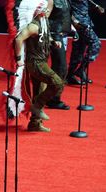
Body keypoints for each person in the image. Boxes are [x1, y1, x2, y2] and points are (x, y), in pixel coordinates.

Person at [14, 0, 65, 132]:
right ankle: (37, 106)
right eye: (46, 9)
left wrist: (53, 42)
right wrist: (19, 58)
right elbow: (19, 39)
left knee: (40, 90)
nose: (48, 11)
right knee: (57, 83)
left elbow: (44, 37)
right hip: (36, 63)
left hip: (42, 61)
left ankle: (34, 123)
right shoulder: (34, 26)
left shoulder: (44, 22)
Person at [67, 0, 103, 85]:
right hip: (80, 23)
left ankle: (70, 75)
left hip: (85, 20)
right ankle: (81, 69)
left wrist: (96, 5)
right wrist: (74, 21)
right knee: (96, 43)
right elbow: (67, 7)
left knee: (79, 48)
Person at [46, 0, 72, 110]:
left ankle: (50, 98)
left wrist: (73, 27)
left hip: (62, 35)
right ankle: (52, 99)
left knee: (60, 68)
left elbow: (65, 16)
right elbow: (44, 19)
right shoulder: (50, 0)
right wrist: (50, 37)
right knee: (60, 68)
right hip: (53, 36)